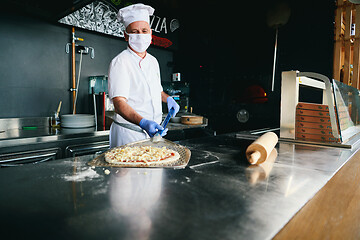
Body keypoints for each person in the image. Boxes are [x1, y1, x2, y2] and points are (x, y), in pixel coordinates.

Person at [108, 3, 180, 148]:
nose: (140, 35)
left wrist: (168, 99)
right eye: (134, 31)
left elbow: (157, 91)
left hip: (154, 135)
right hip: (129, 135)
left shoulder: (153, 61)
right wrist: (143, 122)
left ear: (151, 33)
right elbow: (119, 103)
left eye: (144, 30)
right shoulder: (120, 62)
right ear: (126, 36)